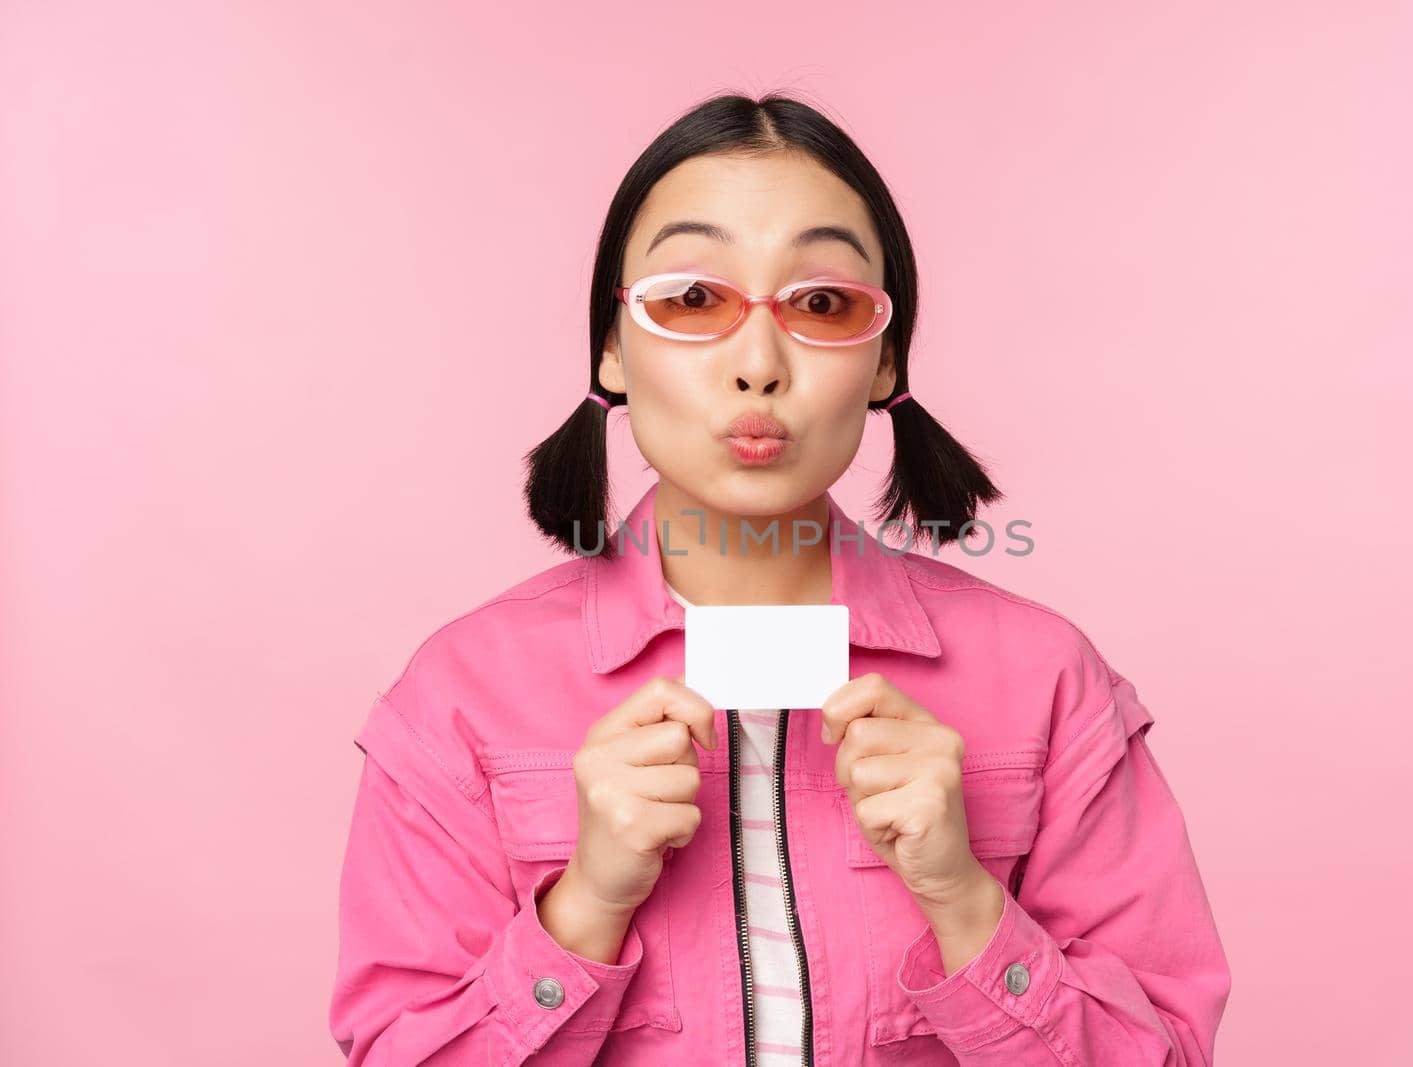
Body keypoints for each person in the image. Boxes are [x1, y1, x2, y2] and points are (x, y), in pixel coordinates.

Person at [328, 91, 1231, 1066]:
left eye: (821, 304)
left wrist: (964, 898)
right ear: (610, 347)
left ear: (885, 360)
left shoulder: (1047, 679)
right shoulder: (462, 696)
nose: (758, 362)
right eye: (693, 298)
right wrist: (585, 901)